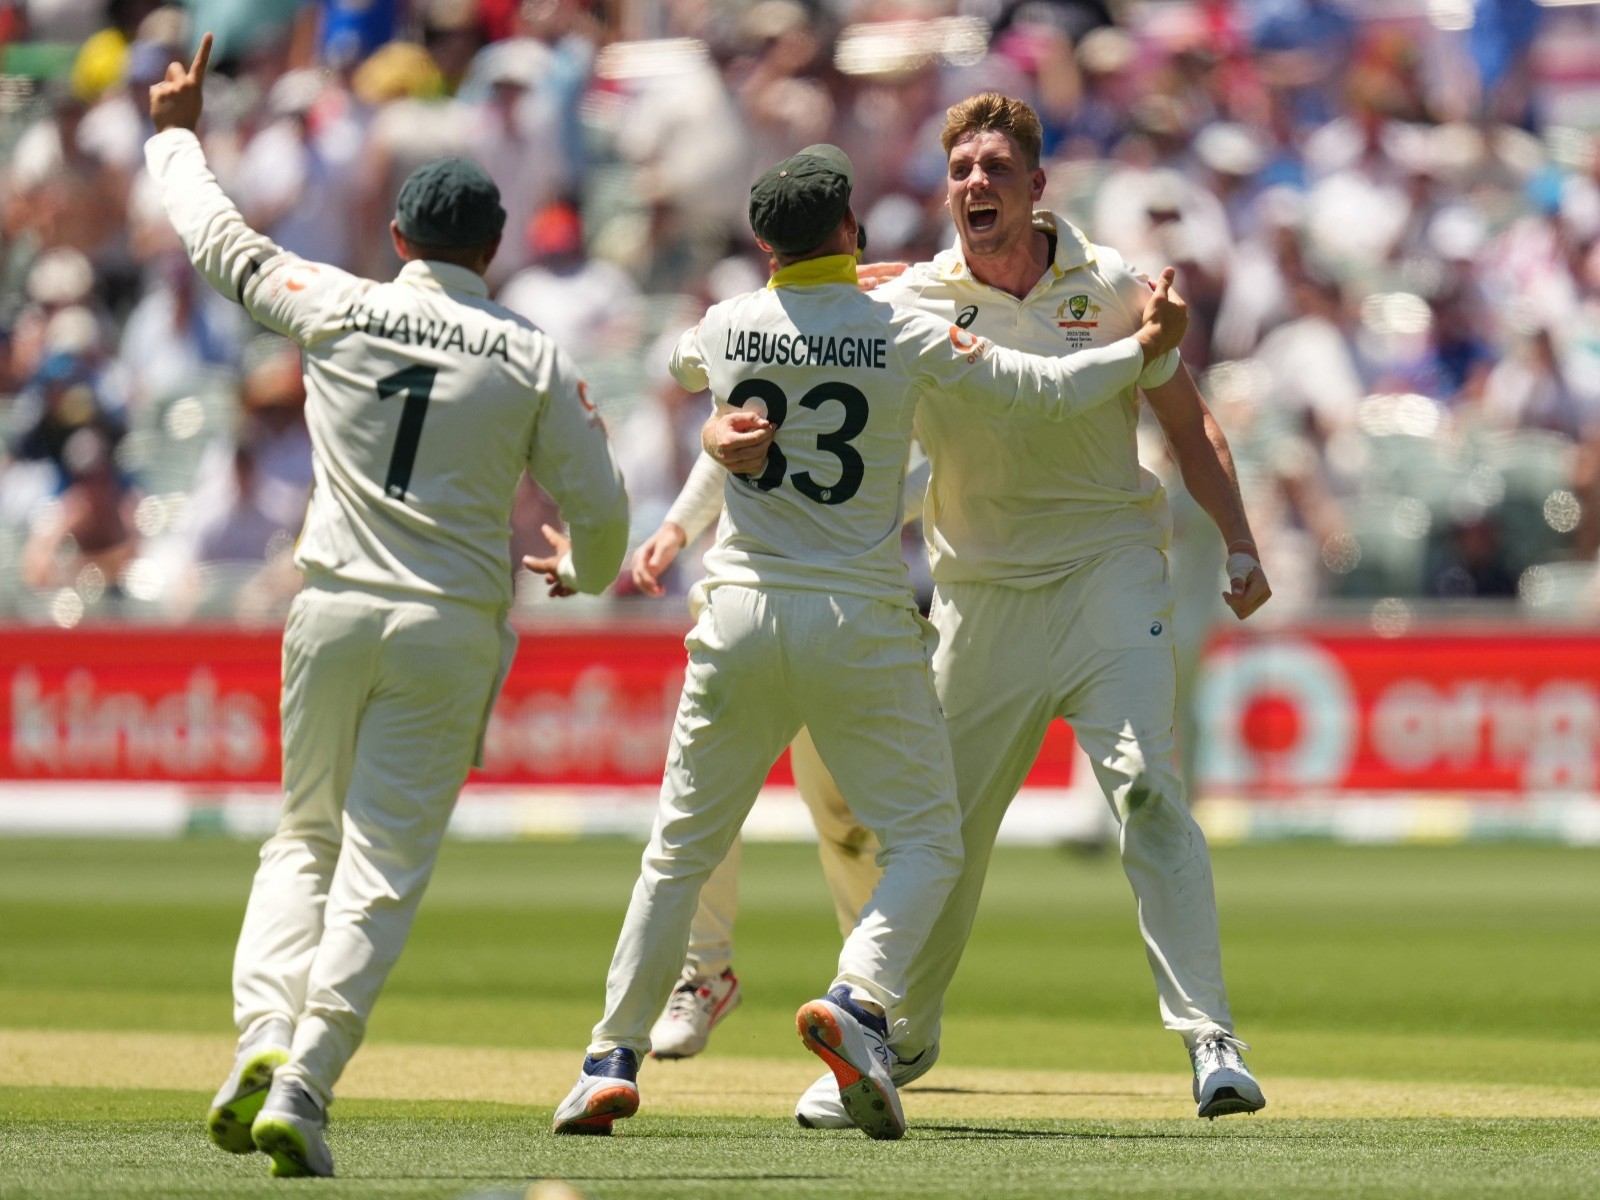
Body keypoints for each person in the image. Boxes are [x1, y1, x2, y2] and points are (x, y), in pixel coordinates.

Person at [545, 142, 1190, 1141]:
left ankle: (606, 1061)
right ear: (849, 228)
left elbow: (685, 369)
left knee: (678, 853)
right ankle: (857, 997)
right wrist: (1139, 348)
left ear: (765, 244)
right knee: (929, 843)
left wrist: (718, 430)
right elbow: (1045, 391)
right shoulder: (904, 326)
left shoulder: (725, 323)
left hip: (740, 612)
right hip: (858, 619)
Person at [699, 93, 1272, 1124]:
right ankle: (893, 1037)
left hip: (1106, 577)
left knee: (1149, 792)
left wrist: (1237, 540)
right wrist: (714, 443)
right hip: (979, 595)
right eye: (961, 169)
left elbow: (1189, 425)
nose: (976, 183)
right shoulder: (910, 299)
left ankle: (1210, 1039)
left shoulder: (1111, 287)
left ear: (1036, 186)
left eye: (997, 167)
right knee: (940, 836)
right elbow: (763, 359)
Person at [145, 35, 629, 1178]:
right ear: (494, 251)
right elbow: (602, 509)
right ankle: (304, 1080)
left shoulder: (339, 302)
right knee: (381, 867)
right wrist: (584, 568)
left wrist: (175, 137)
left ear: (400, 238)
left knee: (302, 838)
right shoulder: (529, 354)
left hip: (328, 609)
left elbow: (219, 242)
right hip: (449, 625)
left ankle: (262, 1038)